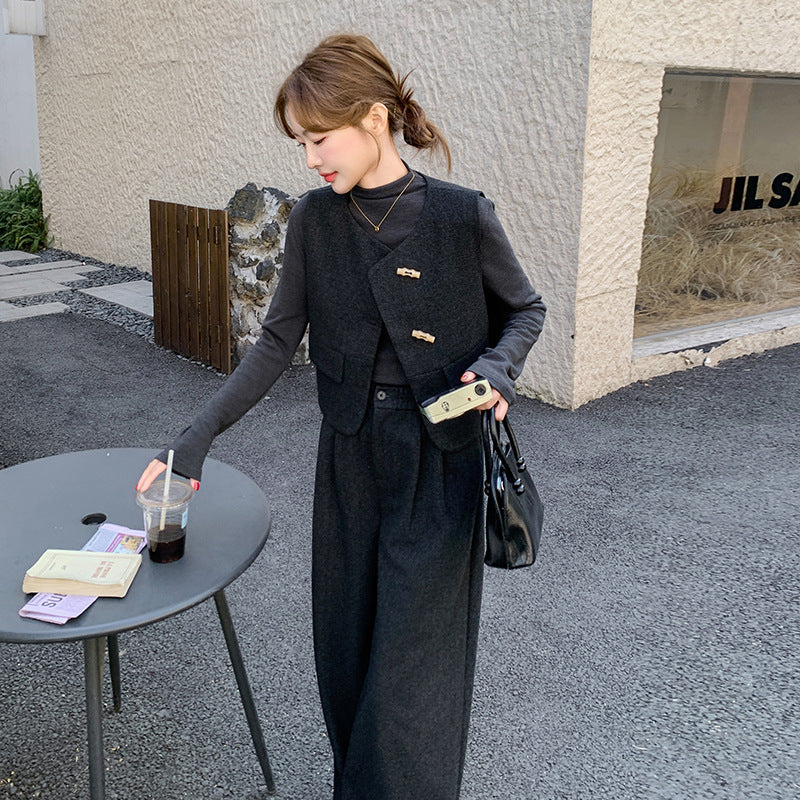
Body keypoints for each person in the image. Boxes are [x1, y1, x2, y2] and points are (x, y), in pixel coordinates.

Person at [137, 33, 546, 800]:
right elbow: (274, 344)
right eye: (300, 142)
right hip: (350, 460)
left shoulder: (463, 216)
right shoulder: (315, 222)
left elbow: (526, 309)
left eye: (318, 138)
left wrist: (497, 370)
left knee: (410, 684)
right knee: (348, 659)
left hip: (442, 465)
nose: (310, 158)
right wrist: (190, 444)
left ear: (373, 119)